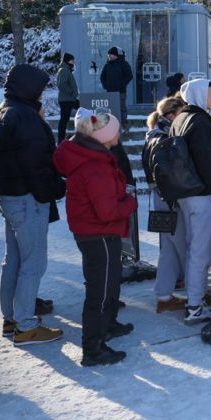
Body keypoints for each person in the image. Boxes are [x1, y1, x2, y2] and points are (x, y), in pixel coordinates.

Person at [0, 64, 65, 346]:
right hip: (27, 197)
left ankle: (11, 317)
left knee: (14, 259)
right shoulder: (25, 116)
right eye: (41, 88)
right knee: (33, 261)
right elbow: (37, 164)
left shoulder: (5, 110)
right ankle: (25, 325)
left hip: (8, 196)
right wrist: (53, 190)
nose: (43, 93)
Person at [53, 109, 136, 366]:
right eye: (116, 132)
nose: (120, 136)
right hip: (98, 233)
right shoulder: (95, 166)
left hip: (94, 232)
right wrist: (129, 203)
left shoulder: (93, 157)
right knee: (99, 290)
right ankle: (93, 348)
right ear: (104, 137)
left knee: (108, 284)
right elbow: (107, 211)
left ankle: (107, 326)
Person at [172, 79, 211, 322]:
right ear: (197, 95)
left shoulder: (180, 118)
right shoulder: (201, 121)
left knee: (194, 247)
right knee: (201, 250)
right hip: (201, 194)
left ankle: (197, 297)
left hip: (185, 192)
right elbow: (207, 162)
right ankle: (195, 305)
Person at [142, 95, 188, 313]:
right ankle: (198, 294)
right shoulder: (165, 138)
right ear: (172, 115)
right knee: (185, 249)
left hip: (160, 200)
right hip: (172, 201)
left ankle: (163, 295)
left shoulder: (151, 136)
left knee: (169, 250)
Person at [99, 47, 133, 127]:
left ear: (116, 55)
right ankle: (112, 125)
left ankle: (123, 124)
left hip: (121, 91)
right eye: (108, 55)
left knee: (122, 108)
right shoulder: (107, 65)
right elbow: (102, 76)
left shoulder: (123, 64)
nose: (109, 56)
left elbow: (129, 76)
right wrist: (105, 85)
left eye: (110, 54)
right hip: (110, 91)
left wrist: (121, 84)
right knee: (110, 108)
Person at [56, 52, 80, 143]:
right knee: (64, 119)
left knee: (65, 118)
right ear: (67, 61)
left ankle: (61, 138)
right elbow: (61, 84)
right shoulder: (64, 70)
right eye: (72, 60)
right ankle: (60, 139)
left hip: (69, 99)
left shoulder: (66, 69)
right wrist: (71, 92)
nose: (73, 62)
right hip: (66, 99)